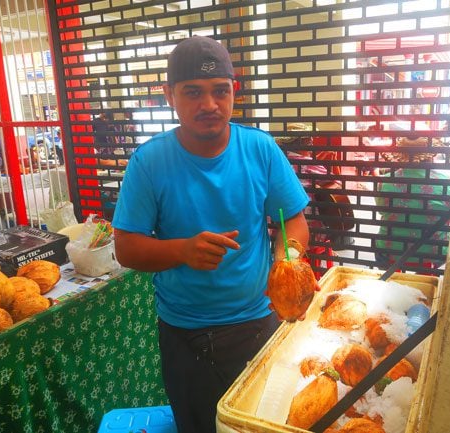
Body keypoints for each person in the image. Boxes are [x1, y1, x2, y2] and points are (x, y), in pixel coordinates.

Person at [112, 35, 309, 433]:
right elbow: (126, 248)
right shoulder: (149, 161)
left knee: (261, 425)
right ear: (169, 95)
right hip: (186, 335)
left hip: (259, 325)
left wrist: (287, 259)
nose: (209, 105)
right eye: (193, 93)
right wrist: (183, 250)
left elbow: (292, 220)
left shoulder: (261, 149)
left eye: (220, 91)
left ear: (234, 91)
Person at [375, 137, 450, 269]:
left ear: (402, 157)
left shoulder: (384, 183)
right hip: (431, 255)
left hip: (389, 252)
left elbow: (381, 210)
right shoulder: (448, 184)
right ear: (431, 157)